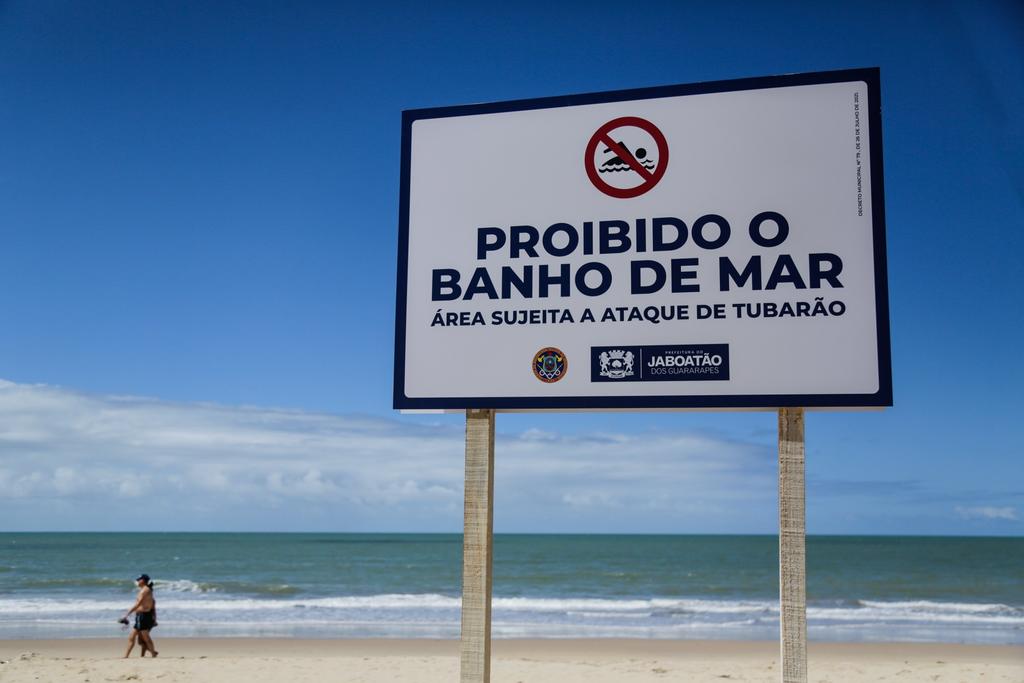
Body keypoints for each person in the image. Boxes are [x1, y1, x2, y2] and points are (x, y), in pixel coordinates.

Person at [121, 574, 158, 658]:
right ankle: (126, 656)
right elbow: (152, 606)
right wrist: (154, 619)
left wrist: (127, 614)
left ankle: (153, 654)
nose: (137, 581)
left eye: (139, 579)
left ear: (143, 580)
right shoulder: (147, 590)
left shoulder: (145, 590)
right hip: (141, 617)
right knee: (132, 637)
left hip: (143, 617)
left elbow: (138, 604)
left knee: (145, 638)